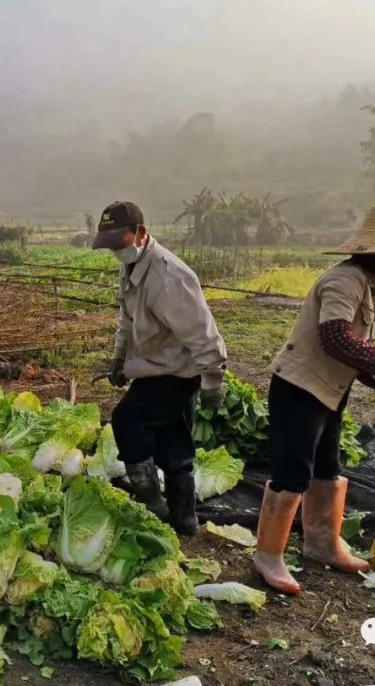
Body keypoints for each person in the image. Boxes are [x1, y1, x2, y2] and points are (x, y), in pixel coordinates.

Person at [254, 204, 375, 595]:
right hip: (299, 389)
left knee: (327, 467)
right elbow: (335, 337)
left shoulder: (373, 287)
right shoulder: (345, 281)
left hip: (329, 391)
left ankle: (322, 544)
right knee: (293, 472)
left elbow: (357, 356)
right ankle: (268, 556)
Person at [92, 201, 228, 535]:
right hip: (155, 366)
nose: (114, 252)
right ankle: (184, 520)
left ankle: (152, 504)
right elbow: (127, 318)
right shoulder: (133, 266)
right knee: (173, 438)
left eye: (117, 242)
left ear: (139, 233)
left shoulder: (169, 277)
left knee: (127, 420)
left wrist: (212, 380)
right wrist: (119, 358)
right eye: (108, 245)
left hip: (176, 373)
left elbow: (202, 332)